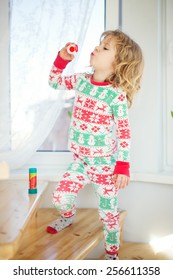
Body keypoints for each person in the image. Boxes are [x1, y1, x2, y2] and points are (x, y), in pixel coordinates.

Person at [47, 29, 144, 260]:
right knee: (60, 197)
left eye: (105, 48)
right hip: (80, 161)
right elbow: (53, 82)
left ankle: (112, 254)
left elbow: (124, 132)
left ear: (118, 62)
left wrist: (122, 165)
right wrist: (62, 60)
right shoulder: (81, 80)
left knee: (108, 215)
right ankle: (68, 216)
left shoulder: (116, 96)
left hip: (104, 165)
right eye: (100, 44)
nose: (97, 48)